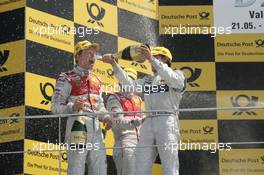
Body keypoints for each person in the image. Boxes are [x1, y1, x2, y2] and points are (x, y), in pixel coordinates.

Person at [102, 46, 186, 175]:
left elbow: (170, 77)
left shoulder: (177, 75)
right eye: (150, 57)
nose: (149, 61)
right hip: (148, 122)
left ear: (165, 59)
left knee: (170, 165)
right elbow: (129, 86)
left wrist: (151, 58)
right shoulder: (147, 80)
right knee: (140, 166)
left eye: (156, 56)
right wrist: (114, 65)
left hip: (167, 121)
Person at [51, 40, 111, 175]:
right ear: (77, 56)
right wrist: (72, 107)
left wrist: (106, 117)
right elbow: (55, 108)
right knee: (76, 168)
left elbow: (99, 106)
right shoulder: (66, 77)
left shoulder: (97, 79)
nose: (92, 57)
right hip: (77, 124)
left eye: (94, 54)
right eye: (88, 53)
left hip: (96, 128)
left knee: (100, 169)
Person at [105, 68, 144, 175]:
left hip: (141, 144)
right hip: (124, 143)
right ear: (119, 81)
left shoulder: (138, 99)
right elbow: (117, 122)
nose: (127, 83)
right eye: (125, 79)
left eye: (131, 80)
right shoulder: (114, 98)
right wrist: (137, 121)